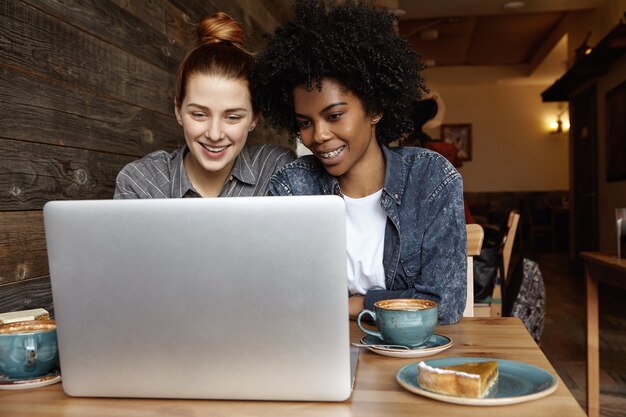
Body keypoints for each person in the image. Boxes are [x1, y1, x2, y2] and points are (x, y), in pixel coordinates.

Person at [252, 0, 467, 324]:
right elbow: (283, 298)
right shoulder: (292, 186)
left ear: (375, 109)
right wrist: (392, 302)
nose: (318, 136)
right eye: (305, 123)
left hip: (408, 354)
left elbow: (444, 303)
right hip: (320, 354)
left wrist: (357, 304)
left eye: (334, 115)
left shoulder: (431, 179)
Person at [114, 12, 295, 199]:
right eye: (199, 114)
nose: (214, 134)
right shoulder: (141, 182)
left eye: (232, 117)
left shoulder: (277, 169)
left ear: (254, 118)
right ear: (178, 110)